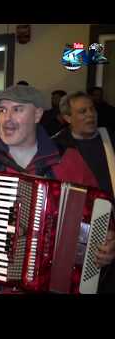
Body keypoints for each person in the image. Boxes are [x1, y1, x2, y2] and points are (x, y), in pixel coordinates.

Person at [0, 84, 114, 294]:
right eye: (2, 110)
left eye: (17, 109)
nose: (7, 118)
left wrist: (108, 239)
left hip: (61, 284)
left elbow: (102, 208)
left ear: (38, 114)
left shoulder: (68, 159)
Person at [52, 91, 115, 292]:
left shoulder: (111, 138)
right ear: (67, 118)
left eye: (92, 109)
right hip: (77, 231)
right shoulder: (56, 147)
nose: (90, 115)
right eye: (82, 111)